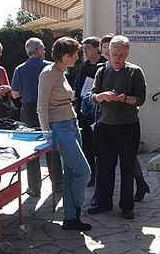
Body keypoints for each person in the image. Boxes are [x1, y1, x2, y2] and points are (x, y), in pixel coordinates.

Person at [88, 35, 147, 220]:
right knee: (105, 167)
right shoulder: (103, 71)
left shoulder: (134, 72)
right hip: (106, 126)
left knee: (127, 166)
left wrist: (125, 99)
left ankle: (126, 206)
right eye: (114, 54)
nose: (117, 59)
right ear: (108, 52)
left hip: (128, 126)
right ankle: (104, 202)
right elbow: (92, 96)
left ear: (127, 53)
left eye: (121, 55)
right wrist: (103, 96)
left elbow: (141, 98)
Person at [37, 37, 92, 231]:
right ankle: (76, 208)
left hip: (71, 124)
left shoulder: (61, 72)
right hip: (60, 128)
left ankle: (71, 218)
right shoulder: (49, 73)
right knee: (84, 172)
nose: (78, 57)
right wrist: (47, 133)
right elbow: (41, 106)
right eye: (76, 53)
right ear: (66, 56)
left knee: (71, 173)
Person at [11, 37, 63, 197]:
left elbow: (14, 94)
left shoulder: (20, 69)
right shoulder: (51, 67)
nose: (45, 50)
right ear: (39, 49)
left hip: (29, 109)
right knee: (52, 146)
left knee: (31, 149)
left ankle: (34, 187)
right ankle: (58, 184)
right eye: (44, 48)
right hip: (50, 108)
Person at [73, 36, 106, 187]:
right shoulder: (84, 66)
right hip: (85, 113)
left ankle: (102, 177)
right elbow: (78, 86)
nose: (85, 51)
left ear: (97, 48)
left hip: (100, 113)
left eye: (88, 48)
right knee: (87, 145)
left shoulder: (104, 65)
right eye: (83, 48)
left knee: (101, 146)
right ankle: (91, 176)